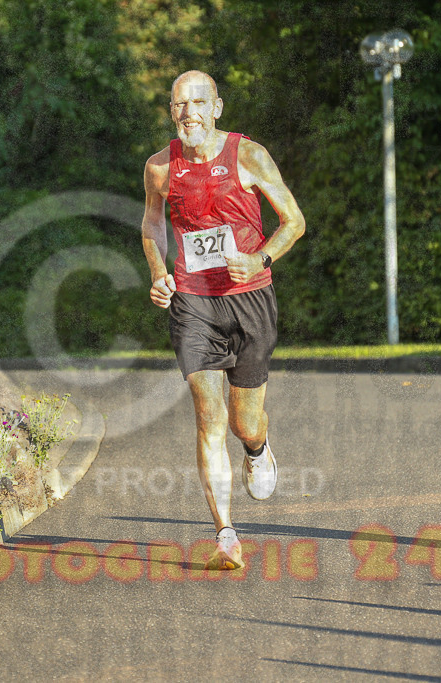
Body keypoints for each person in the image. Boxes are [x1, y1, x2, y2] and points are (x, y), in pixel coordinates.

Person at [141, 70, 306, 570]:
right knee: (209, 417)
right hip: (194, 303)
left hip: (249, 299)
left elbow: (294, 221)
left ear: (216, 108)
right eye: (179, 104)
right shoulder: (159, 167)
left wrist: (260, 259)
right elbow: (152, 222)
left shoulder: (248, 156)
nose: (188, 112)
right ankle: (226, 535)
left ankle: (257, 448)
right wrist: (159, 273)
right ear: (172, 111)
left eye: (198, 103)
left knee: (243, 423)